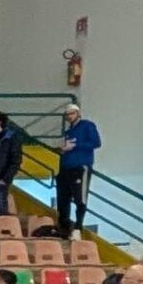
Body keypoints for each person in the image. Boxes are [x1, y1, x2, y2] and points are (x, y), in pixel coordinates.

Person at [53, 101, 99, 236]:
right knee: (63, 198)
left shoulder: (87, 126)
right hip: (66, 168)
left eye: (71, 114)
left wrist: (76, 145)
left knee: (80, 198)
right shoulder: (68, 132)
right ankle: (64, 225)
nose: (69, 117)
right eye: (67, 115)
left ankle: (78, 226)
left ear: (78, 114)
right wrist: (63, 149)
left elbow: (96, 142)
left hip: (79, 167)